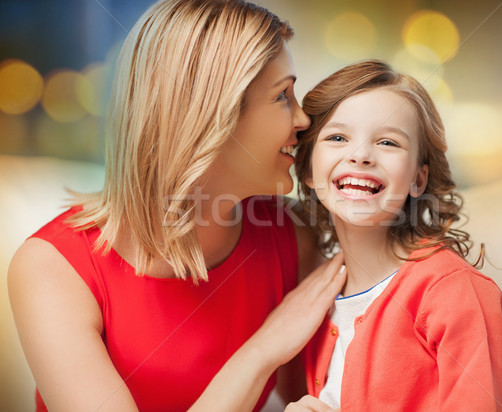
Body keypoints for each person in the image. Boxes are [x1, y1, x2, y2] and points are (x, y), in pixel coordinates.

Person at [7, 1, 347, 411]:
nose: (303, 120)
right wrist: (263, 349)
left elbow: (322, 396)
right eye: (282, 96)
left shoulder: (292, 238)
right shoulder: (53, 267)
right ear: (212, 116)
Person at [291, 60, 502, 411]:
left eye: (388, 142)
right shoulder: (315, 297)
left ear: (417, 180)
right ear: (306, 169)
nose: (360, 155)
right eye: (337, 137)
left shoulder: (451, 290)